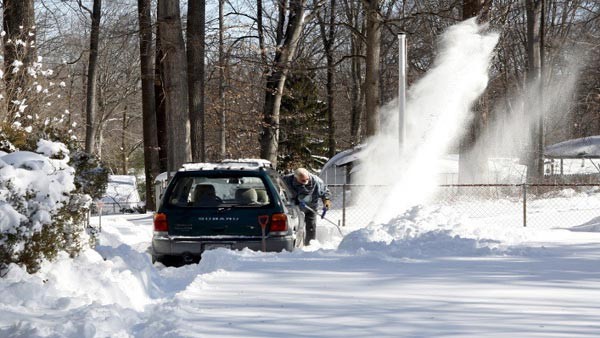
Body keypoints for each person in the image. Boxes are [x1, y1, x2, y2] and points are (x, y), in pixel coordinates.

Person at [283, 168, 331, 245]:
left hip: (311, 207)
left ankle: (310, 245)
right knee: (298, 226)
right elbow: (277, 187)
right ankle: (296, 246)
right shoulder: (287, 180)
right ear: (296, 178)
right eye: (302, 180)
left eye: (307, 179)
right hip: (296, 208)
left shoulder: (317, 182)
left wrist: (326, 202)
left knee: (311, 227)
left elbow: (325, 193)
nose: (305, 182)